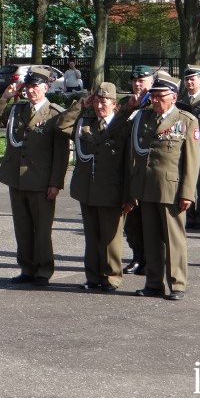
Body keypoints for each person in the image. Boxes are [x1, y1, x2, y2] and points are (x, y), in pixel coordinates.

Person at [0, 67, 69, 287]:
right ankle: (27, 267)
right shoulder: (17, 110)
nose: (31, 91)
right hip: (17, 177)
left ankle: (43, 270)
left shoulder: (55, 114)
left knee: (42, 229)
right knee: (22, 227)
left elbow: (61, 154)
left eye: (36, 87)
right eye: (29, 87)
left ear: (46, 87)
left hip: (41, 181)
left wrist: (55, 183)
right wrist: (4, 97)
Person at [123, 73, 199, 300]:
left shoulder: (186, 120)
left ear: (173, 97)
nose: (155, 100)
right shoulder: (143, 118)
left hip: (171, 190)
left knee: (174, 240)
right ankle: (153, 283)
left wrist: (187, 193)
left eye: (160, 96)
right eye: (153, 95)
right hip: (146, 188)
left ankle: (177, 284)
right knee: (152, 239)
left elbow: (192, 162)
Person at [57, 82, 129, 292]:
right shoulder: (85, 122)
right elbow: (61, 125)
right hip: (87, 188)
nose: (99, 106)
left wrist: (128, 195)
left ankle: (112, 277)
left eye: (104, 101)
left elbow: (128, 162)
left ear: (114, 103)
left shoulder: (122, 125)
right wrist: (81, 104)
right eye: (96, 101)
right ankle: (93, 276)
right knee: (92, 236)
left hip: (112, 189)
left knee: (111, 238)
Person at [118, 65, 155, 275]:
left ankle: (151, 258)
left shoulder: (156, 103)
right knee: (131, 219)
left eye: (142, 80)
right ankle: (137, 256)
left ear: (152, 81)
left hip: (148, 169)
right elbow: (114, 126)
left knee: (148, 218)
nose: (138, 84)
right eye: (135, 80)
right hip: (128, 168)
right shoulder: (127, 103)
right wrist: (127, 109)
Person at [178, 64, 200, 229]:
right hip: (183, 146)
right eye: (187, 80)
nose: (190, 83)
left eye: (193, 79)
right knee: (186, 180)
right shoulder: (179, 101)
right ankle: (189, 214)